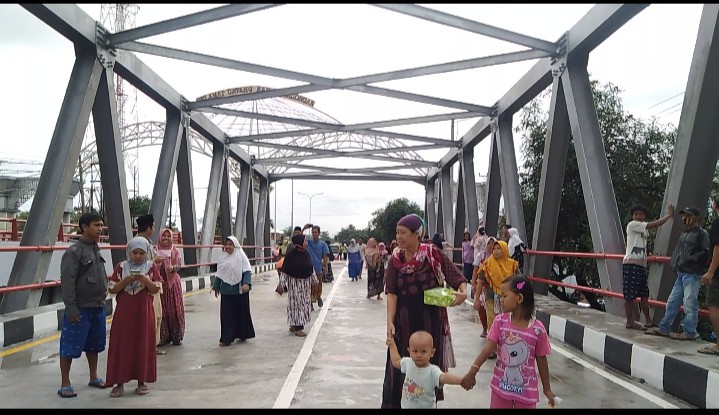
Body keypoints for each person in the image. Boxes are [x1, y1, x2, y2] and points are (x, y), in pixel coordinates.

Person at [381, 213, 468, 408]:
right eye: (397, 232)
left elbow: (454, 275)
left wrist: (462, 293)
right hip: (402, 322)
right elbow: (392, 293)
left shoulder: (431, 253)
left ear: (417, 234)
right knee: (398, 368)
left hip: (430, 320)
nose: (399, 237)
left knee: (426, 365)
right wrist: (389, 321)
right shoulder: (395, 259)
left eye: (403, 232)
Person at [460, 276, 557, 409]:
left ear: (519, 298)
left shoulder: (538, 330)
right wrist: (472, 372)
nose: (500, 300)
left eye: (504, 296)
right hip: (501, 390)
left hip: (526, 395)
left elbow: (541, 360)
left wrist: (547, 389)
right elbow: (488, 349)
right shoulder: (500, 322)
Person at [57, 212, 109, 398]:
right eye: (96, 225)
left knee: (94, 345)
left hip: (97, 306)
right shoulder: (74, 252)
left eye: (101, 225)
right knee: (69, 346)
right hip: (80, 308)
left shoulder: (96, 249)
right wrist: (71, 307)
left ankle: (93, 376)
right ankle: (65, 383)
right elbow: (68, 281)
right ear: (84, 227)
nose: (99, 228)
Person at [106, 237, 163, 398]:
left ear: (147, 253)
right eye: (134, 253)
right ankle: (119, 382)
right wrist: (126, 281)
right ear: (129, 252)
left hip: (143, 312)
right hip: (124, 312)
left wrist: (144, 279)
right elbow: (113, 290)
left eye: (141, 253)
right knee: (121, 344)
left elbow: (155, 289)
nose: (138, 256)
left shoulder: (151, 268)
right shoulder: (121, 267)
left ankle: (141, 381)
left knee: (143, 344)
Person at [646, 205, 709, 341]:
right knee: (672, 301)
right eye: (683, 215)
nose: (684, 218)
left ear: (696, 218)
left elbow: (706, 252)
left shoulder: (701, 234)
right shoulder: (685, 233)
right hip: (682, 272)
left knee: (689, 302)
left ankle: (690, 331)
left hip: (692, 273)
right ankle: (664, 328)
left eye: (688, 215)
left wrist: (692, 259)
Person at [622, 204, 675, 330]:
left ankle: (648, 320)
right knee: (630, 295)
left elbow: (640, 243)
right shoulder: (632, 225)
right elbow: (654, 225)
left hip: (641, 265)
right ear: (632, 216)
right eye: (636, 214)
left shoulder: (643, 230)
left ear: (644, 215)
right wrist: (668, 216)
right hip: (631, 264)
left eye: (640, 214)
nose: (638, 216)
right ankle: (630, 321)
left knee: (644, 294)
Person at [386, 331, 463, 408]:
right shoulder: (407, 363)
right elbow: (396, 361)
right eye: (415, 351)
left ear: (432, 352)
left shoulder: (433, 371)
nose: (419, 355)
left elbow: (444, 377)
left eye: (423, 351)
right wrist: (392, 346)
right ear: (409, 351)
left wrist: (461, 380)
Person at [477, 240, 520, 359]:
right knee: (492, 321)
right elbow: (480, 282)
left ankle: (507, 346)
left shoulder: (512, 265)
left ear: (504, 249)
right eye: (494, 249)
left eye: (498, 248)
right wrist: (476, 299)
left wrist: (518, 291)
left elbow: (521, 281)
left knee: (508, 322)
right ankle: (492, 349)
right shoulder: (487, 265)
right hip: (491, 298)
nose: (495, 251)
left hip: (509, 300)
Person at [211, 236, 256, 346]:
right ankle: (226, 338)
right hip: (226, 291)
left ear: (235, 245)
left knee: (241, 314)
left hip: (239, 290)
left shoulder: (241, 256)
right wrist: (216, 287)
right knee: (227, 316)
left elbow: (247, 271)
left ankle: (242, 334)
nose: (228, 247)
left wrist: (246, 283)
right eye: (226, 245)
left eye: (230, 244)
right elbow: (220, 273)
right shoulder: (223, 257)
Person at [135, 213, 165, 355]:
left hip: (150, 283)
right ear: (148, 227)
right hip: (148, 285)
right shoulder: (142, 244)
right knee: (153, 316)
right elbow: (140, 265)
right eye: (153, 226)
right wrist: (155, 262)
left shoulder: (144, 241)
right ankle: (150, 347)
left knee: (155, 316)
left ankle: (151, 346)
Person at [278, 234, 318, 337]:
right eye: (305, 241)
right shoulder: (290, 255)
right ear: (300, 242)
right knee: (296, 306)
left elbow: (310, 268)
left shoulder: (306, 254)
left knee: (303, 306)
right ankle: (298, 328)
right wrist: (281, 285)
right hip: (294, 286)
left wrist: (315, 281)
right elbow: (285, 271)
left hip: (305, 287)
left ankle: (294, 325)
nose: (307, 243)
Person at [155, 228, 186, 346]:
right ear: (160, 237)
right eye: (164, 236)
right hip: (160, 285)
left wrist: (173, 268)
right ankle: (163, 337)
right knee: (161, 311)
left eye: (169, 236)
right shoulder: (155, 250)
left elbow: (179, 265)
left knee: (174, 310)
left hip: (173, 286)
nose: (166, 238)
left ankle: (176, 335)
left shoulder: (175, 251)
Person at [699, 197, 719, 356]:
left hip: (718, 274)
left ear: (714, 205)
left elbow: (718, 248)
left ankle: (718, 345)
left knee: (714, 305)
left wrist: (711, 271)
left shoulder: (718, 223)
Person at [472, 237, 497, 339]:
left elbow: (518, 280)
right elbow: (479, 276)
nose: (491, 246)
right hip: (488, 293)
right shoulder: (485, 263)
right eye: (489, 244)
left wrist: (519, 288)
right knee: (486, 312)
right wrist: (474, 286)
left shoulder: (510, 264)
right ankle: (487, 330)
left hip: (503, 296)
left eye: (494, 245)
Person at [307, 225, 329, 308]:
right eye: (313, 232)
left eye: (316, 232)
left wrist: (325, 266)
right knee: (310, 285)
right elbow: (299, 238)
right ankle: (311, 302)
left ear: (319, 233)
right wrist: (305, 228)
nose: (314, 234)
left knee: (319, 284)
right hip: (309, 268)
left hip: (318, 267)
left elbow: (325, 255)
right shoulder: (309, 242)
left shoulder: (323, 244)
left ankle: (318, 296)